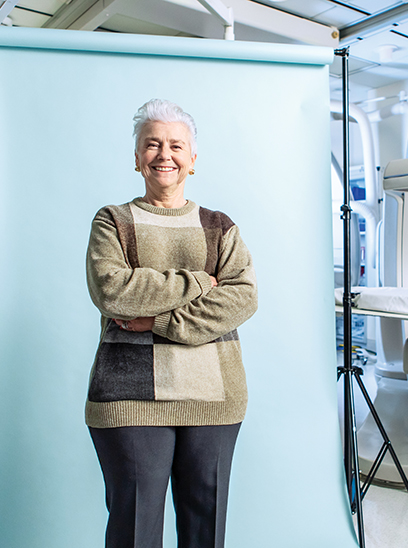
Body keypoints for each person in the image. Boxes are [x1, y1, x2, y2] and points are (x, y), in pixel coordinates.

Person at [85, 98, 258, 548]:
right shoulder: (113, 221)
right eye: (153, 144)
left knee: (205, 529)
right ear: (137, 156)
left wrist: (155, 321)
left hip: (214, 395)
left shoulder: (221, 226)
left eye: (176, 145)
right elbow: (113, 291)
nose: (165, 155)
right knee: (134, 531)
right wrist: (200, 280)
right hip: (128, 396)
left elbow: (241, 297)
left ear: (192, 159)